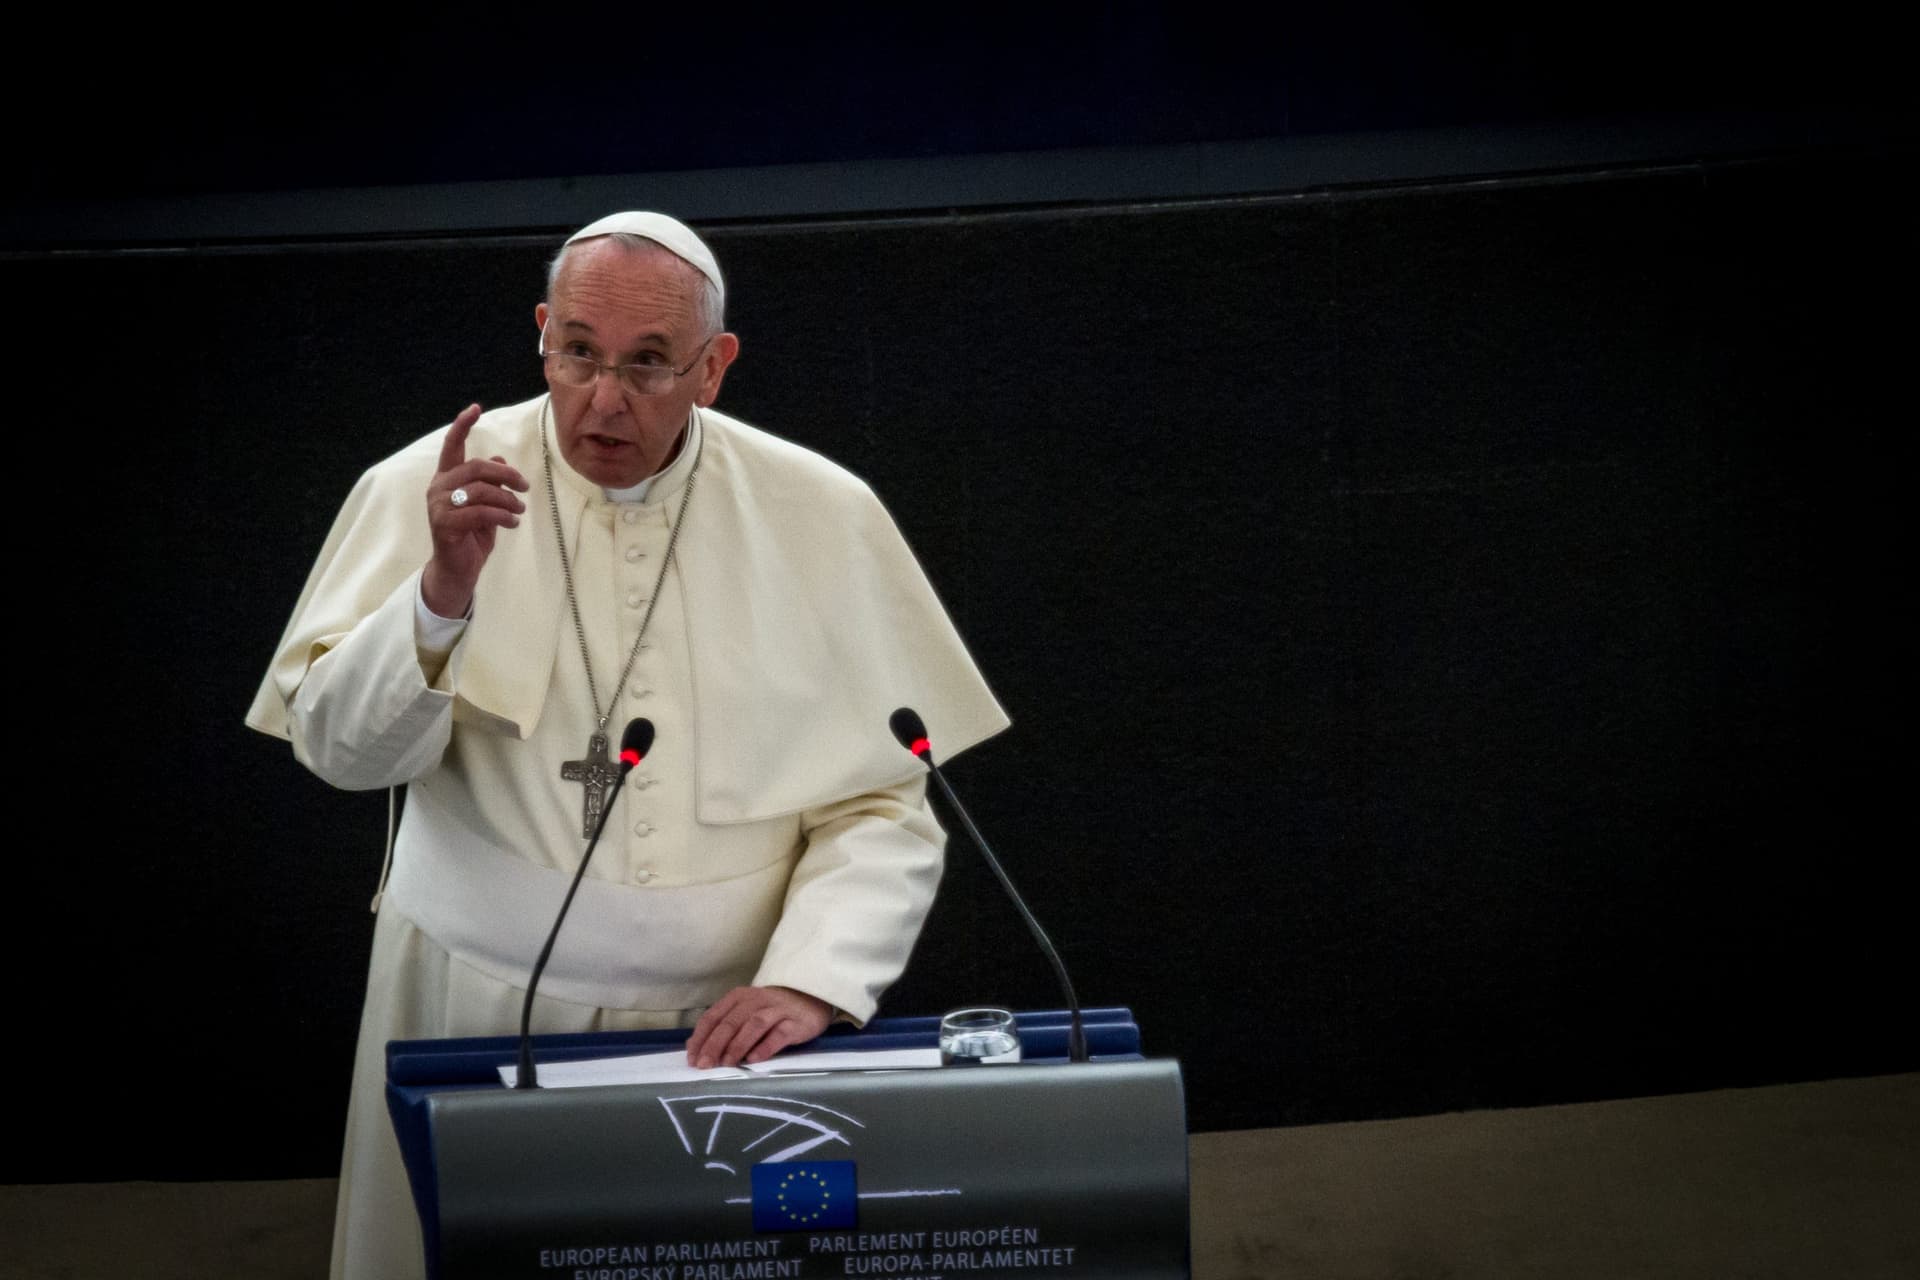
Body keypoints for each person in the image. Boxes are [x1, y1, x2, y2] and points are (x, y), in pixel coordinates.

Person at [246, 211, 1007, 1280]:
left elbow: (882, 803)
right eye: (579, 354)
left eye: (650, 363)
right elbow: (337, 753)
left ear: (716, 366)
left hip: (727, 1033)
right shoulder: (435, 487)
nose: (605, 399)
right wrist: (438, 596)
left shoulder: (822, 513)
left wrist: (816, 976)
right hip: (471, 1001)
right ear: (544, 332)